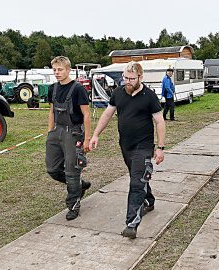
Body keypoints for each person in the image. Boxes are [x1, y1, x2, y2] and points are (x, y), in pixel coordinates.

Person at [89, 61, 166, 239]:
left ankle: (131, 224)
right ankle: (149, 200)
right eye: (125, 78)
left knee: (136, 183)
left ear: (141, 77)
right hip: (126, 146)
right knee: (138, 177)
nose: (128, 81)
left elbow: (160, 122)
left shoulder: (149, 96)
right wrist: (95, 135)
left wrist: (160, 148)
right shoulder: (119, 92)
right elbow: (107, 114)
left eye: (132, 78)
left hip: (144, 146)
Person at [46, 56, 91, 221]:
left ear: (68, 70)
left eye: (60, 70)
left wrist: (86, 139)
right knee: (52, 169)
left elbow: (86, 114)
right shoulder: (53, 89)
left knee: (72, 172)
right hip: (57, 131)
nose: (57, 73)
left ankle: (73, 205)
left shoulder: (78, 89)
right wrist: (50, 132)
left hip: (73, 133)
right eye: (55, 70)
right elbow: (51, 111)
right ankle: (79, 185)